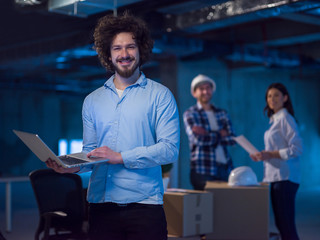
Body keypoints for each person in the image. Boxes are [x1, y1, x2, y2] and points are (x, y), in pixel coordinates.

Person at [46, 12, 180, 240]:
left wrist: (120, 156)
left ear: (141, 50)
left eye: (131, 47)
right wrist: (72, 166)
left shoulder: (160, 95)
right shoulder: (92, 100)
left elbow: (170, 149)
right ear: (108, 54)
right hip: (101, 207)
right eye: (117, 48)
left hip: (144, 206)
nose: (124, 54)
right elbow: (92, 152)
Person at [250, 83, 303, 240]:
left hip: (285, 178)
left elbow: (297, 149)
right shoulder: (275, 120)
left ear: (285, 98)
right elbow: (275, 150)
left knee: (286, 226)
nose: (272, 99)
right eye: (269, 96)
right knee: (282, 224)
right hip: (276, 177)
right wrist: (262, 156)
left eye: (276, 95)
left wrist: (270, 154)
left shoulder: (286, 119)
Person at [183, 74, 236, 190]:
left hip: (224, 168)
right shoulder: (190, 114)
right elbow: (198, 140)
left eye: (208, 88)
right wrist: (220, 133)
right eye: (201, 89)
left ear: (212, 90)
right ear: (194, 93)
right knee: (204, 207)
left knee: (223, 206)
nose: (205, 91)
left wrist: (206, 133)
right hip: (202, 169)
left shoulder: (222, 113)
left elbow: (232, 139)